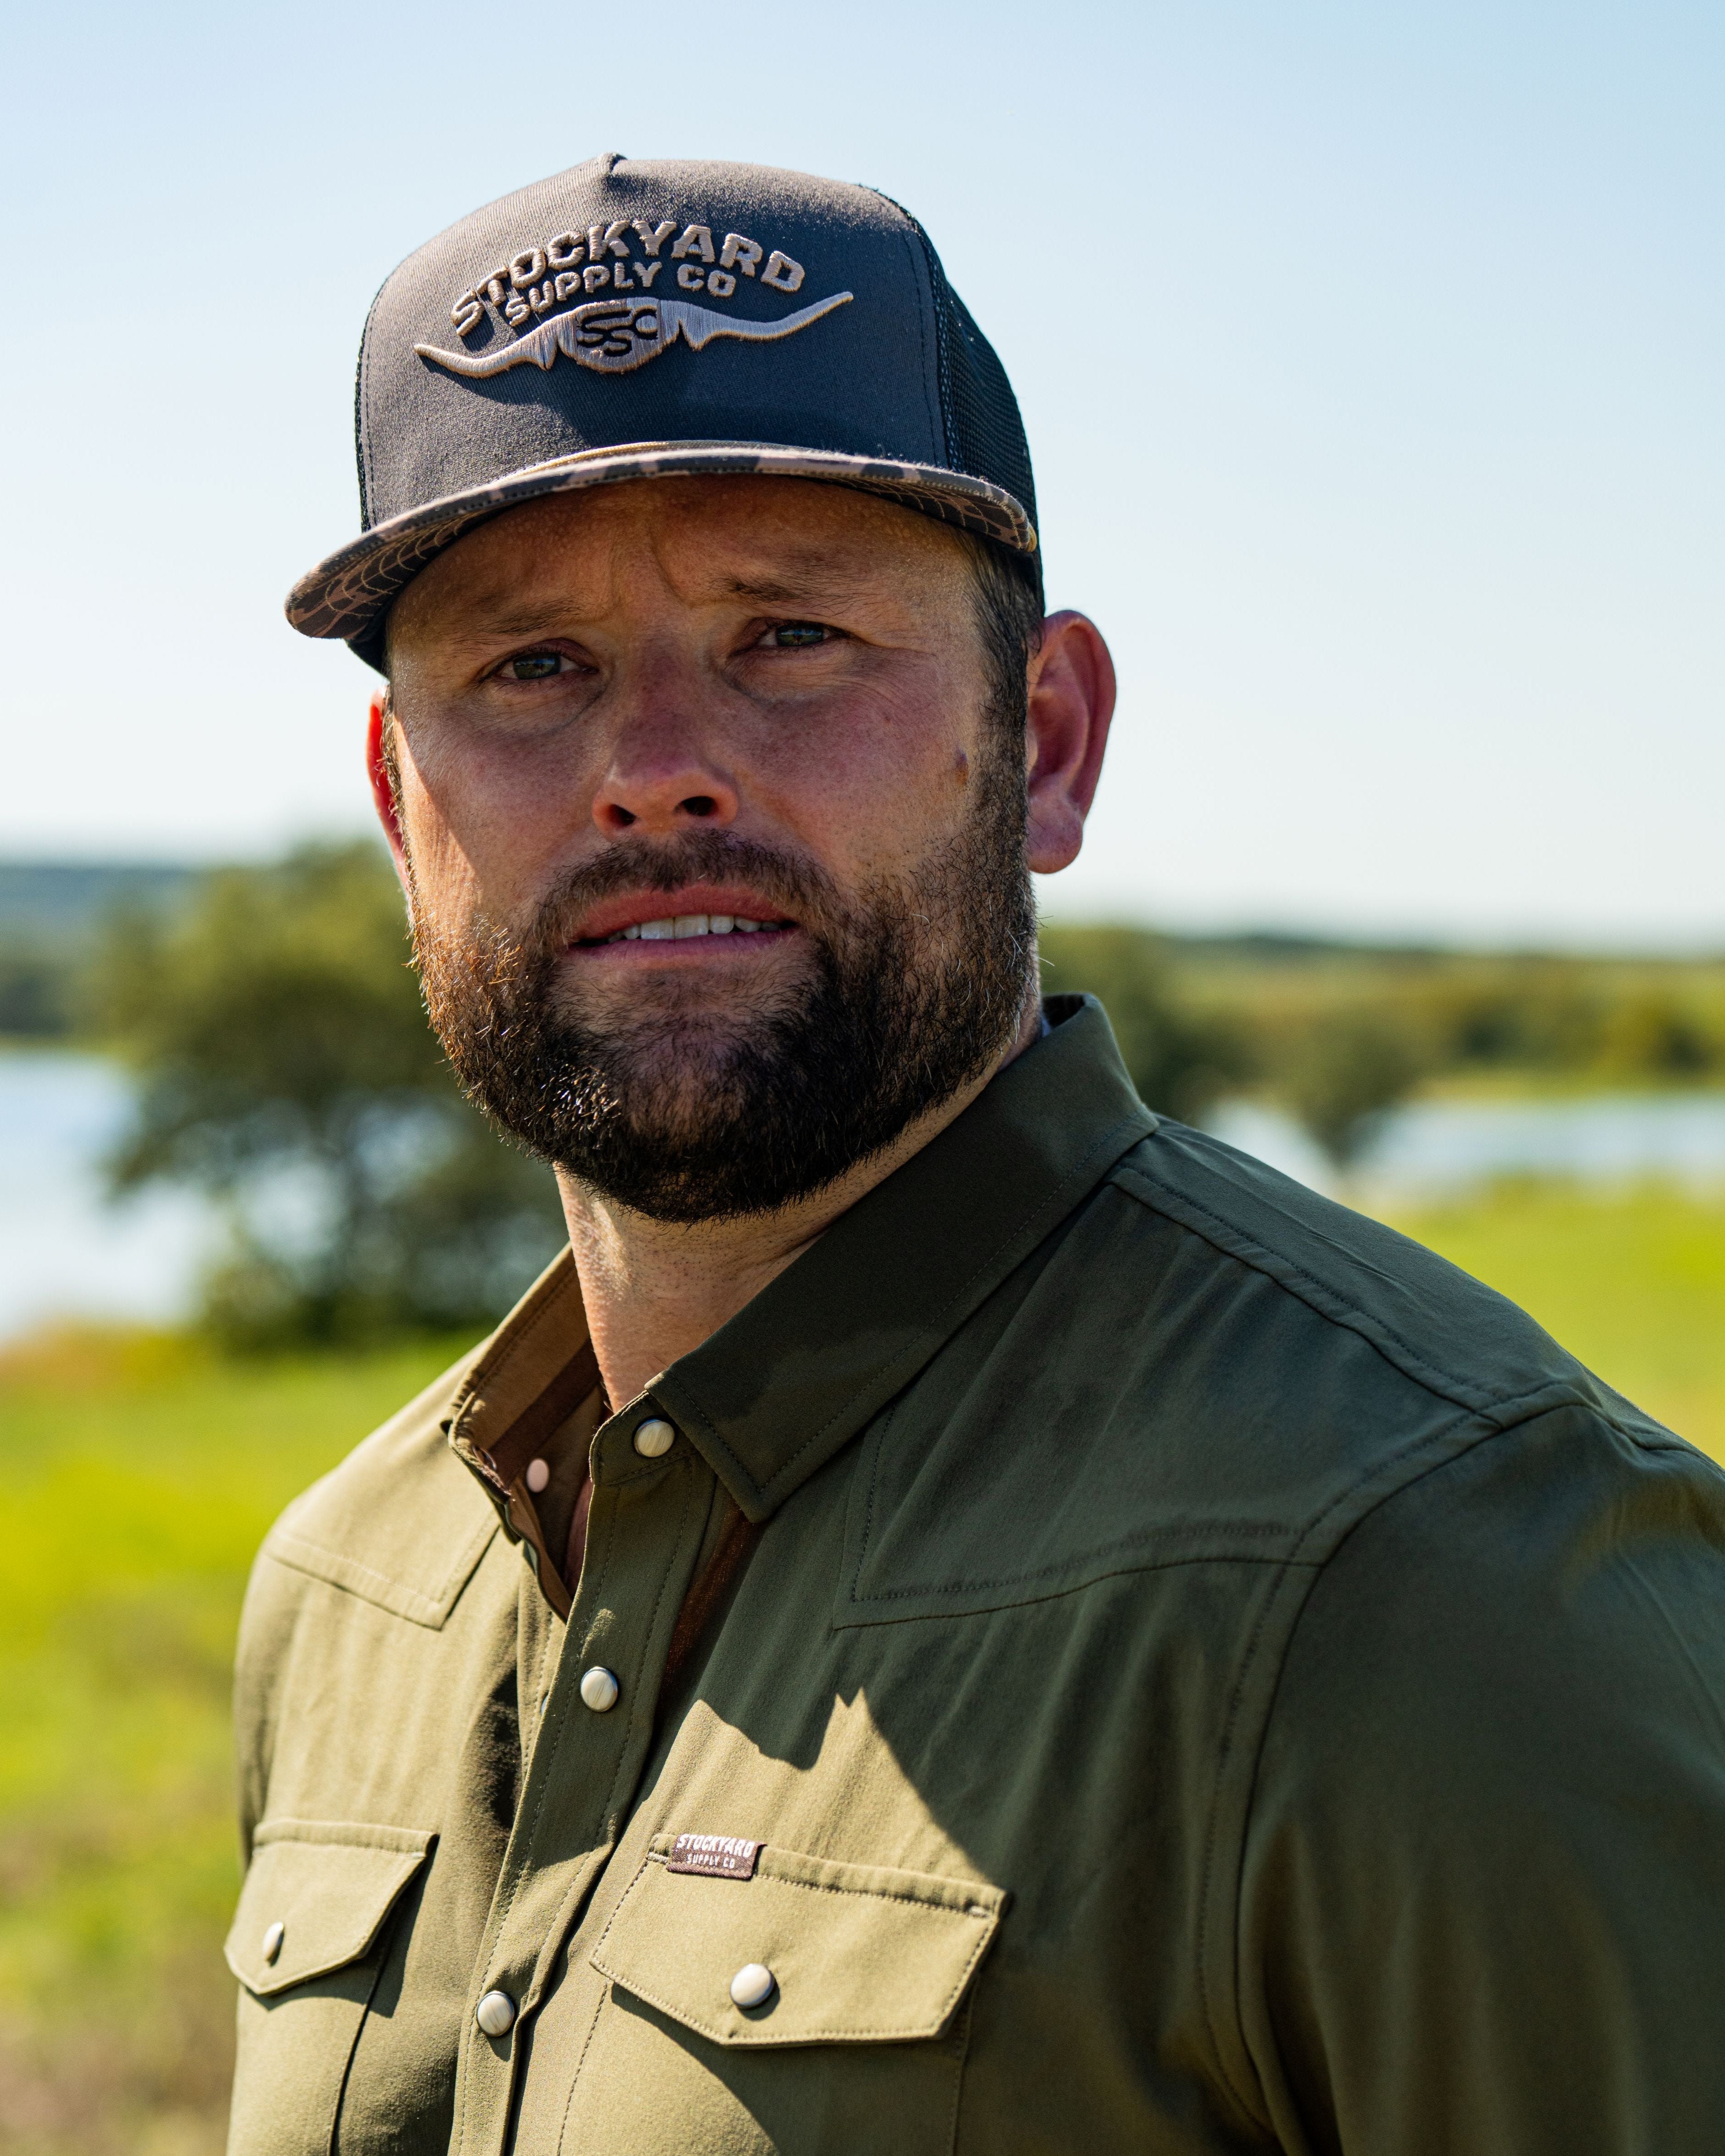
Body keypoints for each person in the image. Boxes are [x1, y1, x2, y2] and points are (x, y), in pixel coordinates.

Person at [229, 153, 1725, 2156]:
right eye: (530, 665)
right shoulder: (349, 1586)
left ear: (1052, 741)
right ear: (404, 806)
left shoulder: (1439, 1580)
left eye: (789, 637)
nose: (652, 756)